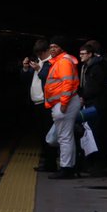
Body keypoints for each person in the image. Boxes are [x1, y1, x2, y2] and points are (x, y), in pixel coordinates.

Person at [44, 35, 83, 179]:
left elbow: (67, 84)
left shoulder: (63, 62)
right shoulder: (60, 61)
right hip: (62, 104)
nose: (52, 49)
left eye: (55, 46)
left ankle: (66, 168)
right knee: (62, 137)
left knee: (64, 137)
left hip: (63, 104)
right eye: (51, 46)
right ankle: (68, 167)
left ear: (62, 48)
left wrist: (64, 104)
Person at [77, 39, 107, 176]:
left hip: (95, 105)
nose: (80, 56)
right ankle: (95, 163)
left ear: (91, 54)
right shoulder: (92, 66)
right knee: (93, 132)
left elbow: (93, 88)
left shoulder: (96, 67)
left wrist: (83, 97)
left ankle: (96, 164)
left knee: (95, 133)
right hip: (95, 104)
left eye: (83, 53)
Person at [22, 38, 57, 172]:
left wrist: (38, 70)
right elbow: (26, 79)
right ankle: (47, 161)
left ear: (46, 51)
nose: (39, 56)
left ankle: (51, 163)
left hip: (46, 103)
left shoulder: (51, 63)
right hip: (36, 102)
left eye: (41, 53)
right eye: (37, 54)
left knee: (49, 134)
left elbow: (48, 79)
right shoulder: (39, 61)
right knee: (42, 134)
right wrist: (26, 68)